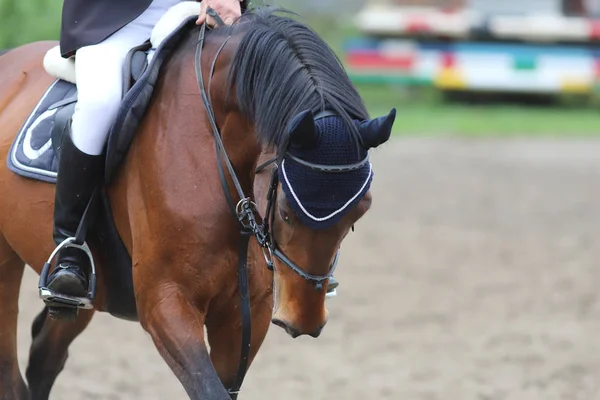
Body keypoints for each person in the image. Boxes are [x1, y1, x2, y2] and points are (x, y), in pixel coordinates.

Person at [45, 0, 338, 305]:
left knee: (275, 84)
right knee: (100, 104)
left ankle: (301, 250)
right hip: (115, 19)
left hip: (197, 8)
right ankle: (69, 247)